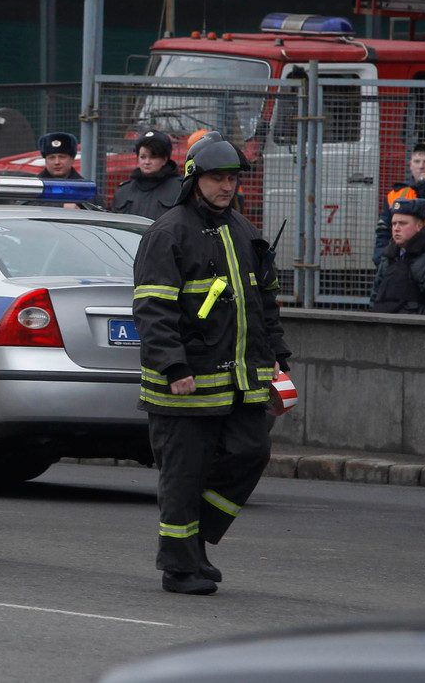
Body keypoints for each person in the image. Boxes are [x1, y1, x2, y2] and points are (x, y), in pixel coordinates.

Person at [132, 131, 291, 595]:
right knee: (184, 473)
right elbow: (153, 309)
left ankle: (196, 541)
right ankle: (178, 567)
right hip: (186, 382)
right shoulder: (169, 233)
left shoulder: (244, 230)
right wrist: (174, 367)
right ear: (194, 179)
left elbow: (265, 304)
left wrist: (279, 358)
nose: (227, 187)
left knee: (251, 452)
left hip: (242, 379)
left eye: (232, 179)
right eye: (218, 178)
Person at [370, 197, 425, 316]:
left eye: (403, 223)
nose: (396, 228)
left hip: (418, 331)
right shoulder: (390, 256)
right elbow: (375, 299)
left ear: (419, 226)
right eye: (393, 224)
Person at [111, 129, 182, 220]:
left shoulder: (179, 189)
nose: (147, 162)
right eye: (143, 157)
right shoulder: (123, 191)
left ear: (164, 160)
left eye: (153, 157)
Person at [33, 131, 97, 209]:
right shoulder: (35, 186)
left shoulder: (85, 189)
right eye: (52, 158)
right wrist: (61, 206)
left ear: (72, 159)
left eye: (62, 157)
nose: (57, 162)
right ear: (46, 160)